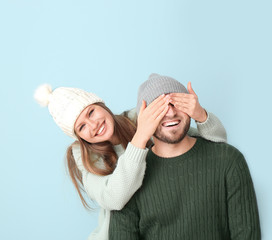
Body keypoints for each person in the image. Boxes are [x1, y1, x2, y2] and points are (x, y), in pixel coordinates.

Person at [34, 78, 227, 240]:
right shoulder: (83, 157)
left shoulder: (137, 118)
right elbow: (114, 198)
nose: (93, 125)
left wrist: (201, 115)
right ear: (80, 137)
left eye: (91, 112)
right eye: (82, 127)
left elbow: (215, 146)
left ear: (101, 105)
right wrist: (141, 137)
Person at [109, 74, 260, 240]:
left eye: (177, 103)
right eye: (159, 108)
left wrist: (202, 114)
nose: (171, 112)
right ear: (144, 119)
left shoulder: (229, 160)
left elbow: (247, 235)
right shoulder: (128, 178)